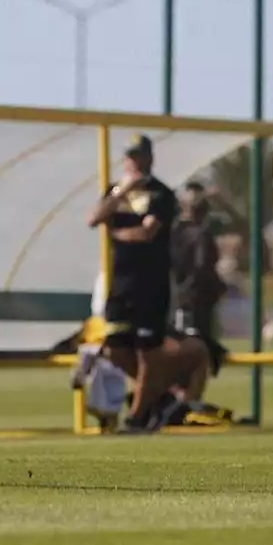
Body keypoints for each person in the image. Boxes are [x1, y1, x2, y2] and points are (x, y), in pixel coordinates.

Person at [86, 133, 178, 432]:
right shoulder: (115, 192)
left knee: (147, 351)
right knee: (114, 348)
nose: (134, 161)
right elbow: (93, 218)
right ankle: (159, 396)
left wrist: (116, 235)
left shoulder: (161, 194)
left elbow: (147, 233)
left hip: (151, 284)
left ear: (150, 158)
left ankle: (137, 418)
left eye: (139, 155)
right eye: (130, 156)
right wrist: (119, 194)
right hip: (121, 283)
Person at [171, 182, 226, 344]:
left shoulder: (176, 230)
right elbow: (201, 266)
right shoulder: (196, 234)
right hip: (195, 295)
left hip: (183, 294)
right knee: (197, 341)